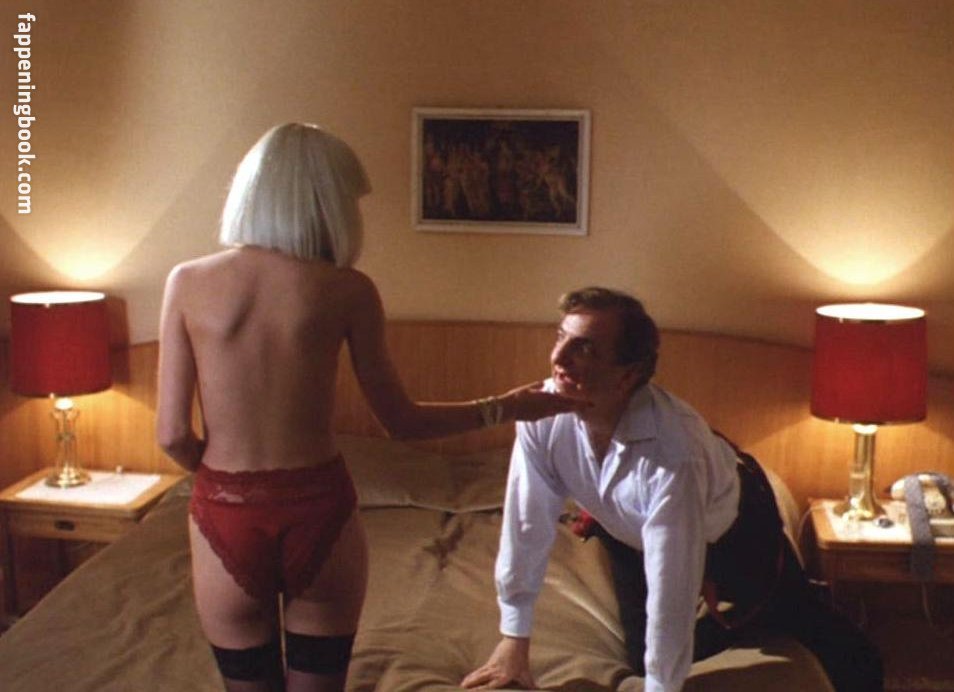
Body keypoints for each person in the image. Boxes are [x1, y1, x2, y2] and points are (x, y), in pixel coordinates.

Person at [155, 122, 586, 692]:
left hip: (225, 510)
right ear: (326, 202)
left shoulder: (187, 282)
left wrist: (221, 482)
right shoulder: (347, 290)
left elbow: (171, 435)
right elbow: (403, 421)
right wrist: (504, 408)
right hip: (317, 508)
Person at [462, 287, 883, 692]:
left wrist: (663, 686)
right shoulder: (540, 412)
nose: (559, 358)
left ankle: (848, 648)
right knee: (641, 655)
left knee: (805, 628)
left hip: (734, 529)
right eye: (561, 337)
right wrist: (514, 639)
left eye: (584, 349)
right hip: (627, 530)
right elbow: (526, 524)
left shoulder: (673, 454)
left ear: (628, 375)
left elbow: (673, 584)